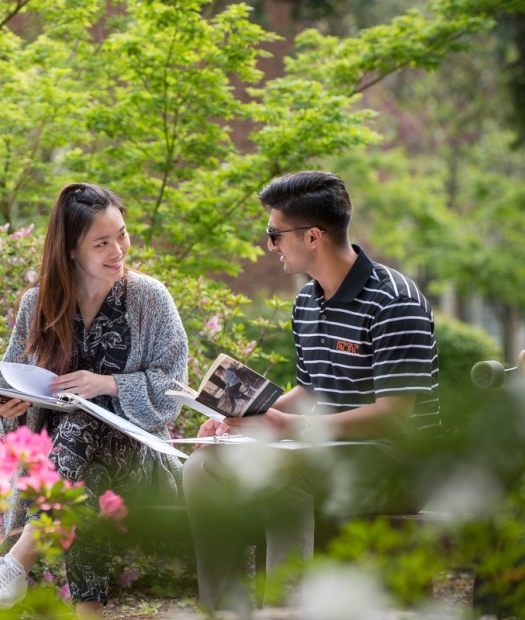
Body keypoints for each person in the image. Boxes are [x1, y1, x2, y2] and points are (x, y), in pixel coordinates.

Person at [183, 170, 441, 612]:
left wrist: (293, 429)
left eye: (275, 234)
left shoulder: (394, 300)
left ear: (314, 236)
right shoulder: (308, 301)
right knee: (203, 466)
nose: (270, 246)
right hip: (325, 447)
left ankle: (285, 608)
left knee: (286, 470)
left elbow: (395, 415)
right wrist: (239, 420)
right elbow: (309, 389)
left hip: (397, 458)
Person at [0, 182, 189, 617]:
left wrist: (107, 384)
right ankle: (88, 613)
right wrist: (6, 410)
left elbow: (174, 387)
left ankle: (17, 563)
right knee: (82, 478)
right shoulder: (38, 304)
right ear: (71, 249)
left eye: (122, 235)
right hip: (62, 467)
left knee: (84, 421)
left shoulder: (150, 298)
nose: (119, 250)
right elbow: (9, 386)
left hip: (139, 462)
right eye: (102, 242)